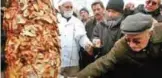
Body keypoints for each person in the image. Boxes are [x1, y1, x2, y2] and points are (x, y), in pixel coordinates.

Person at [77, 13, 162, 78]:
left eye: (137, 41)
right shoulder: (122, 45)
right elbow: (103, 63)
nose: (131, 45)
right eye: (128, 40)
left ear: (150, 33)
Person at [57, 0, 93, 77]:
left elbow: (82, 37)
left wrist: (88, 45)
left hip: (73, 63)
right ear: (60, 8)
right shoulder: (54, 20)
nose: (69, 9)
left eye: (71, 7)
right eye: (67, 7)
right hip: (57, 62)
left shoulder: (77, 22)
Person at [79, 1, 105, 70]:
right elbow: (85, 39)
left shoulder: (110, 23)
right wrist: (88, 46)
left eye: (98, 9)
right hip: (91, 58)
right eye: (94, 10)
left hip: (105, 57)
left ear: (103, 9)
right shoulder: (89, 24)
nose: (96, 12)